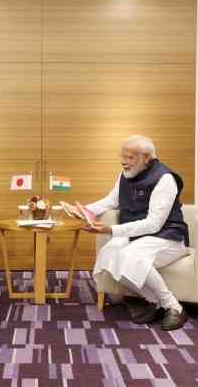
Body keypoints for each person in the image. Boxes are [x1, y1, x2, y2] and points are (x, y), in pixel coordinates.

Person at [80, 135, 189, 331]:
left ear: (146, 157)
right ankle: (155, 302)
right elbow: (111, 201)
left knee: (130, 255)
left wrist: (110, 229)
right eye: (123, 156)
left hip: (168, 237)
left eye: (129, 157)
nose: (123, 162)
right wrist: (83, 211)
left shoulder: (165, 179)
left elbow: (154, 224)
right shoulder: (125, 174)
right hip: (139, 236)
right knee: (110, 253)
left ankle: (174, 307)